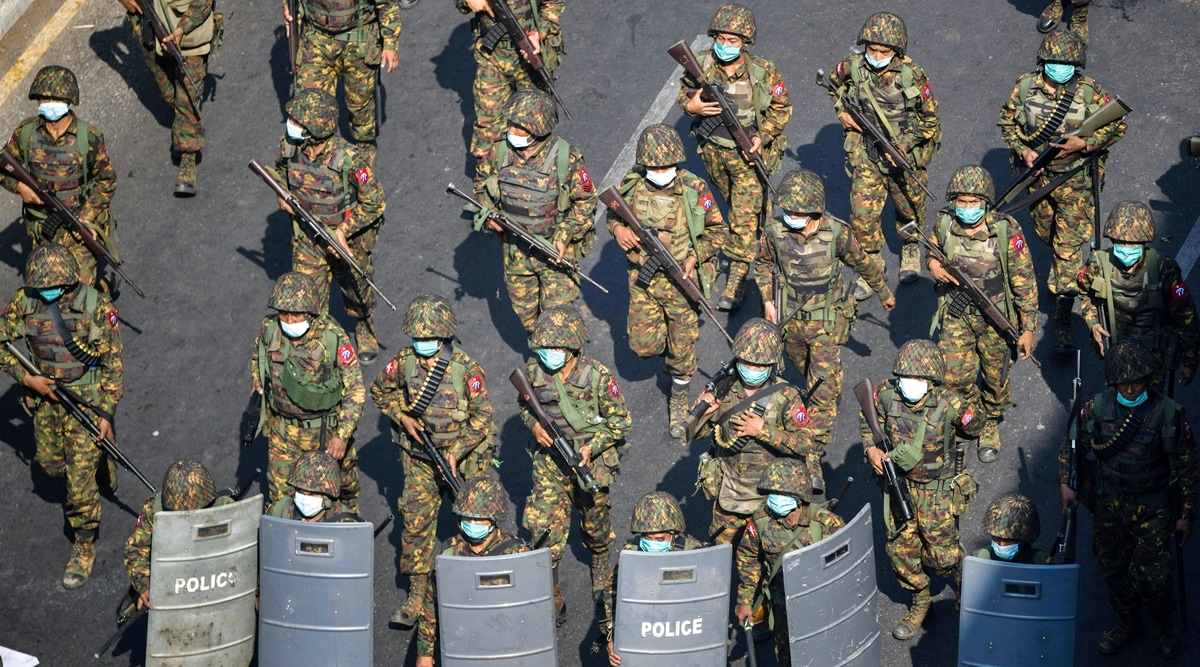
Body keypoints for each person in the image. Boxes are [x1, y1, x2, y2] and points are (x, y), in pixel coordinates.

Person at [754, 167, 895, 492]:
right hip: (790, 324)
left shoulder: (837, 233)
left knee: (822, 392)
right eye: (786, 210)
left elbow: (863, 262)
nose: (789, 216)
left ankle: (813, 458)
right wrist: (767, 299)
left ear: (815, 210)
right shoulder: (775, 231)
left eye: (796, 212)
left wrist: (884, 292)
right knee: (803, 375)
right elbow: (762, 265)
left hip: (826, 325)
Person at [1061, 339, 1198, 658]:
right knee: (1113, 569)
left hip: (1152, 508)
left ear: (1149, 377)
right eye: (1125, 381)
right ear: (1114, 381)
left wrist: (1187, 514)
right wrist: (1065, 484)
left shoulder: (1169, 413)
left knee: (1155, 580)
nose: (1132, 387)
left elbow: (1189, 465)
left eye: (1138, 380)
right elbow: (1071, 446)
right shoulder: (1095, 408)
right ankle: (1128, 620)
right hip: (1109, 506)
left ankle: (1165, 624)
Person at [370, 293, 497, 627]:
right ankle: (416, 597)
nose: (422, 344)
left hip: (463, 460)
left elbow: (483, 418)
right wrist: (402, 417)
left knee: (475, 521)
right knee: (415, 523)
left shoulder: (466, 370)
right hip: (421, 459)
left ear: (444, 337)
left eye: (429, 339)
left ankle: (480, 584)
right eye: (417, 338)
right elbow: (379, 391)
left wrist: (456, 452)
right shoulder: (404, 362)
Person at [0, 244, 123, 590]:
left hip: (87, 401)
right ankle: (101, 461)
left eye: (54, 287)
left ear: (70, 283)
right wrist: (27, 378)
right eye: (41, 288)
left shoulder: (97, 308)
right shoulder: (25, 302)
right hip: (47, 400)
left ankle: (83, 543)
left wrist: (107, 413)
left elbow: (113, 365)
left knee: (78, 483)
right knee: (53, 467)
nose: (47, 293)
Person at [998, 29, 1125, 353]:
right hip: (1039, 182)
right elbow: (1007, 122)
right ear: (1043, 62)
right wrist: (1023, 151)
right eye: (1054, 62)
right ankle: (1063, 276)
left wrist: (1086, 142)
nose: (1060, 68)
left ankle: (1062, 320)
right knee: (1047, 235)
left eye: (1067, 63)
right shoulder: (1025, 87)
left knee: (1066, 253)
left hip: (1076, 184)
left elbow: (1118, 124)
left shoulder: (1087, 91)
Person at [606, 123, 724, 440]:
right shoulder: (631, 185)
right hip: (643, 281)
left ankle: (679, 398)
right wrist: (619, 231)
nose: (662, 171)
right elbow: (612, 214)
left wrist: (694, 258)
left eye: (667, 165)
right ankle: (669, 358)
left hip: (681, 283)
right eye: (655, 166)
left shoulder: (694, 189)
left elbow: (718, 232)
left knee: (682, 350)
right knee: (644, 346)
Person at [860, 339, 983, 640]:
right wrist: (870, 450)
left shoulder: (949, 404)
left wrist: (969, 402)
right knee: (901, 550)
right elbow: (867, 420)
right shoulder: (887, 396)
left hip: (936, 492)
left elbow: (975, 427)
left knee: (942, 556)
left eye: (917, 378)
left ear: (931, 380)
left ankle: (965, 583)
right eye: (904, 376)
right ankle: (920, 600)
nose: (909, 384)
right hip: (898, 485)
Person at [518, 305, 631, 622]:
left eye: (556, 347)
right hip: (550, 463)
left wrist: (591, 448)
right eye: (544, 346)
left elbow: (621, 422)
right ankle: (551, 594)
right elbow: (524, 407)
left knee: (595, 524)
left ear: (572, 348)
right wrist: (534, 426)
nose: (548, 353)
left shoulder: (596, 377)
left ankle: (599, 561)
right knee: (543, 531)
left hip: (588, 463)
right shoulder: (533, 373)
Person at [677, 3, 791, 311]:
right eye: (721, 39)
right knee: (746, 211)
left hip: (747, 157)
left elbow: (783, 107)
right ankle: (769, 244)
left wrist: (761, 135)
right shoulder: (700, 64)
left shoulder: (763, 71)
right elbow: (684, 92)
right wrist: (692, 108)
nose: (725, 46)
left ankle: (737, 277)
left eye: (733, 41)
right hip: (712, 152)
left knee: (741, 219)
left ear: (746, 42)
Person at [926, 165, 1038, 463]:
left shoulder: (1005, 230)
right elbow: (932, 251)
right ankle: (968, 418)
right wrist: (933, 266)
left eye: (973, 202)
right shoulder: (944, 224)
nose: (966, 208)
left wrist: (1028, 328)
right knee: (953, 376)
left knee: (995, 378)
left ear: (986, 202)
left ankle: (990, 423)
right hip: (956, 314)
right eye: (960, 202)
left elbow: (1024, 280)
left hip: (996, 318)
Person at [827, 12, 940, 294]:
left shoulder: (912, 76)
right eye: (872, 49)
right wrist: (842, 113)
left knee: (910, 207)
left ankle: (911, 245)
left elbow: (929, 121)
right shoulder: (852, 66)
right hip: (866, 153)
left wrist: (901, 147)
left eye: (884, 51)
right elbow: (832, 86)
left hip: (903, 155)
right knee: (861, 216)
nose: (876, 55)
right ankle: (872, 266)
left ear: (897, 51)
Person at [272, 88, 387, 362]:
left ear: (317, 127)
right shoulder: (289, 146)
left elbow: (375, 202)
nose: (292, 125)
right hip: (307, 238)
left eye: (299, 121)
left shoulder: (349, 158)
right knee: (307, 296)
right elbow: (278, 171)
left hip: (347, 240)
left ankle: (364, 326)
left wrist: (342, 232)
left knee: (356, 290)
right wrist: (280, 193)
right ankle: (320, 350)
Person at [473, 89, 597, 336]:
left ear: (539, 129)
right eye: (511, 123)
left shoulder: (566, 159)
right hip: (516, 253)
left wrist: (563, 235)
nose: (512, 131)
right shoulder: (499, 152)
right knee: (528, 320)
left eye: (520, 127)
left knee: (557, 324)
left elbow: (586, 202)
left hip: (554, 253)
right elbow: (481, 183)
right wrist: (487, 214)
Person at [249, 272, 364, 511]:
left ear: (311, 312)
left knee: (341, 490)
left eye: (296, 314)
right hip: (283, 432)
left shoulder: (332, 337)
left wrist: (342, 435)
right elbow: (258, 356)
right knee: (280, 500)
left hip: (324, 432)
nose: (289, 320)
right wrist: (257, 377)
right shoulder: (269, 329)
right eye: (284, 313)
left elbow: (355, 389)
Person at [693, 318, 815, 544]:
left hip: (770, 493)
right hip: (730, 491)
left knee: (770, 550)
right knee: (720, 550)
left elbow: (806, 443)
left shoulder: (786, 396)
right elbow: (695, 435)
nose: (752, 369)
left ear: (771, 365)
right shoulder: (723, 388)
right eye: (747, 363)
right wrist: (706, 413)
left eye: (759, 365)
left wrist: (763, 431)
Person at [1, 66, 118, 289]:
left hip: (77, 226)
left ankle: (98, 289)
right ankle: (101, 287)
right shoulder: (26, 133)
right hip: (42, 231)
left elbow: (107, 181)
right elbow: (3, 166)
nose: (48, 103)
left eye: (53, 98)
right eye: (44, 98)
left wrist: (87, 218)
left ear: (68, 99)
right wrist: (18, 187)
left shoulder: (88, 137)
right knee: (49, 293)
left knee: (77, 293)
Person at [1077, 201, 1199, 388]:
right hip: (1116, 352)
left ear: (1144, 241)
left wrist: (1190, 361)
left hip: (1154, 355)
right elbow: (1086, 296)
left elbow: (1186, 318)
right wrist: (1093, 324)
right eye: (1120, 242)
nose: (1126, 247)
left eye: (1132, 243)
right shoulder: (1098, 263)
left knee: (1153, 406)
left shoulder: (1163, 268)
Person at [734, 458, 843, 666]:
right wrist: (745, 600)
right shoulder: (761, 520)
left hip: (822, 603)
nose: (774, 500)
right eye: (771, 494)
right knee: (788, 654)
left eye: (781, 494)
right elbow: (748, 557)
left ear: (799, 496)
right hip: (782, 603)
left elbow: (846, 567)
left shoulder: (826, 524)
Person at [415, 478, 528, 667]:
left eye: (479, 518)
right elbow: (432, 601)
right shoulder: (451, 551)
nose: (473, 523)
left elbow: (533, 609)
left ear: (494, 518)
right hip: (464, 643)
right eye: (468, 517)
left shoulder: (516, 554)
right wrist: (424, 653)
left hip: (507, 644)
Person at [117, 0, 218, 195]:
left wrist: (182, 29)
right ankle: (184, 116)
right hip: (149, 22)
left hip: (188, 26)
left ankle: (188, 154)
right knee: (169, 93)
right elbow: (96, 39)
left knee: (187, 96)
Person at [282, 0, 402, 164]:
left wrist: (390, 42)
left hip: (358, 37)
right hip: (316, 38)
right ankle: (316, 153)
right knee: (310, 104)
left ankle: (365, 145)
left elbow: (387, 3)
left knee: (360, 102)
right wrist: (289, 9)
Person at [119, 460, 232, 622]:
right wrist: (145, 585)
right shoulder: (154, 510)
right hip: (170, 568)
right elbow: (136, 549)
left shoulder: (224, 508)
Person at [600, 492, 705, 666]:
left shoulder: (694, 554)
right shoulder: (631, 553)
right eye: (647, 538)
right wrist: (611, 637)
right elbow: (613, 595)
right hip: (645, 628)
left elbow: (709, 603)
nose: (652, 543)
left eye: (659, 539)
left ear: (675, 534)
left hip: (682, 628)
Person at [455, 0, 565, 159]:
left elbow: (554, 3)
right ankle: (488, 179)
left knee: (532, 126)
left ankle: (535, 177)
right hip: (491, 56)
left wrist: (539, 34)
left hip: (528, 58)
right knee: (488, 130)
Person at [263, 450, 361, 521]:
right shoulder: (279, 512)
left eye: (312, 494)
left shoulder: (346, 523)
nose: (305, 499)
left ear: (327, 497)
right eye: (301, 492)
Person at [976, 493, 1048, 564]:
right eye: (996, 538)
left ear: (1023, 538)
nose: (1002, 545)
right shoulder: (982, 558)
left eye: (1008, 540)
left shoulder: (1038, 561)